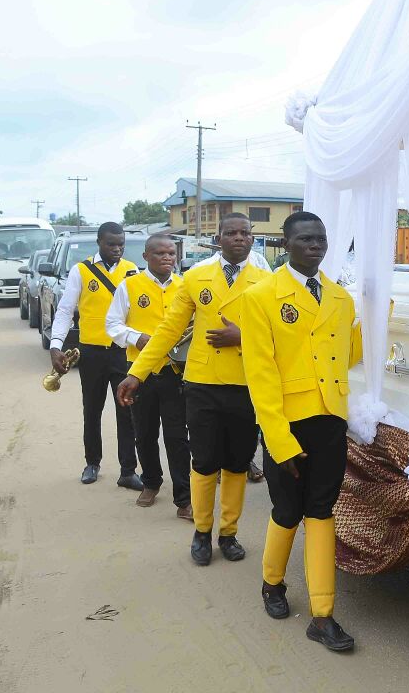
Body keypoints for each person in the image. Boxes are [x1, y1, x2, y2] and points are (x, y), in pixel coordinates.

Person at [118, 214, 270, 566]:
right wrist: (137, 372)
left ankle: (228, 532)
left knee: (237, 462)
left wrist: (243, 337)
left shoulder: (267, 282)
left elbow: (280, 335)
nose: (238, 238)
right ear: (218, 238)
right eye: (230, 233)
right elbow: (169, 330)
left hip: (247, 384)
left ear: (252, 239)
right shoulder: (196, 277)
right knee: (203, 461)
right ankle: (202, 530)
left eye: (244, 233)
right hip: (202, 384)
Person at [241, 211, 362, 653]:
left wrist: (376, 319)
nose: (315, 246)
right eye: (306, 239)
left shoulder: (340, 298)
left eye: (321, 239)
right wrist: (278, 440)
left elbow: (346, 356)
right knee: (288, 509)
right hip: (286, 424)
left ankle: (322, 614)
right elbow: (260, 374)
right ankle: (272, 583)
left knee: (321, 511)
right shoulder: (262, 296)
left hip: (329, 419)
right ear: (285, 244)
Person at [49, 221, 142, 489]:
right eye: (111, 244)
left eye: (121, 244)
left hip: (123, 353)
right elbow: (65, 310)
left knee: (127, 411)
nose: (117, 249)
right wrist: (56, 345)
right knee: (92, 409)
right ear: (99, 242)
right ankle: (92, 463)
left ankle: (128, 470)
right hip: (91, 353)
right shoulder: (81, 271)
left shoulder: (132, 270)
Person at [104, 235, 191, 517]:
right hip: (140, 373)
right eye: (160, 253)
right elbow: (112, 324)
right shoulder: (129, 286)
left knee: (177, 437)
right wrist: (136, 337)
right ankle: (151, 482)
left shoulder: (185, 286)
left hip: (175, 372)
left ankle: (184, 498)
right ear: (145, 257)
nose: (167, 258)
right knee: (144, 433)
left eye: (171, 253)